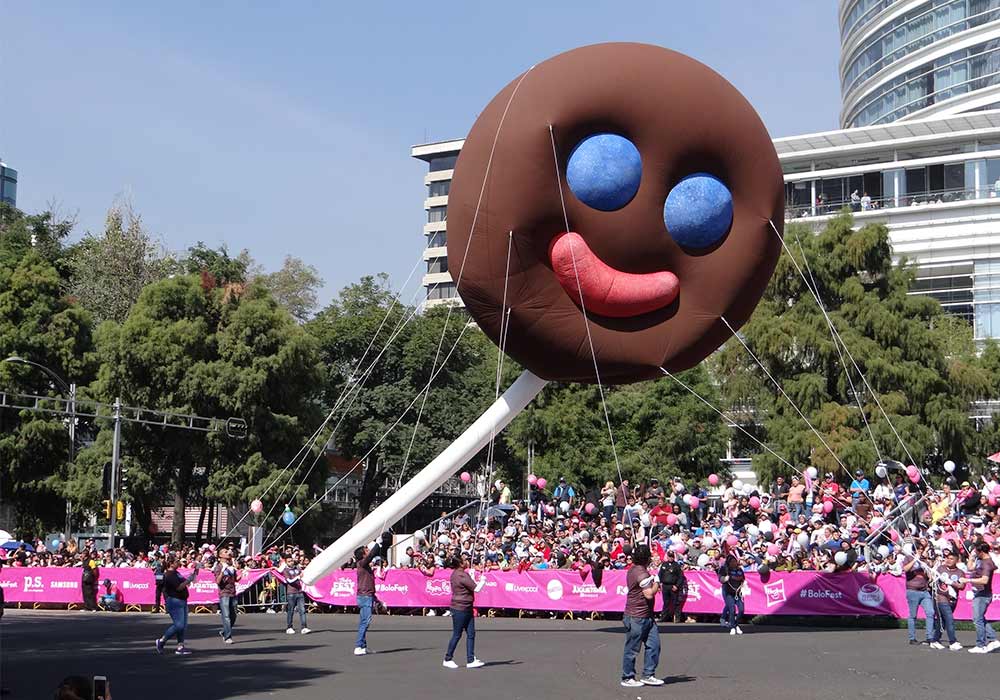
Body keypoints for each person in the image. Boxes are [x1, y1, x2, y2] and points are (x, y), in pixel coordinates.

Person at [620, 544, 662, 687]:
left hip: (647, 616)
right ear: (647, 558)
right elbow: (649, 594)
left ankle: (648, 674)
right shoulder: (640, 573)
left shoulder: (636, 570)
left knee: (654, 645)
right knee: (632, 648)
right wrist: (656, 583)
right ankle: (627, 677)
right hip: (636, 616)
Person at [442, 553, 487, 669]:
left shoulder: (458, 574)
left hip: (466, 607)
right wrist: (483, 580)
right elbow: (476, 588)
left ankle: (471, 660)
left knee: (471, 634)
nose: (467, 561)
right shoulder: (462, 575)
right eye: (465, 560)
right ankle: (447, 658)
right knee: (457, 634)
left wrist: (471, 577)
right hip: (460, 608)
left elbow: (469, 585)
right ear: (461, 564)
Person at [354, 532, 391, 656]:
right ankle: (358, 646)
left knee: (364, 621)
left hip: (367, 595)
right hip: (364, 596)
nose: (368, 550)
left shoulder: (364, 566)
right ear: (363, 554)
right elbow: (370, 556)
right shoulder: (362, 563)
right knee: (365, 621)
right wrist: (378, 544)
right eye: (366, 549)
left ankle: (363, 646)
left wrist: (377, 600)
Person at [155, 554, 199, 655]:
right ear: (170, 563)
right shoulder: (169, 574)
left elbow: (186, 583)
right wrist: (189, 579)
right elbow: (179, 587)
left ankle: (180, 646)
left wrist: (194, 573)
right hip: (174, 601)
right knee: (179, 625)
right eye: (176, 561)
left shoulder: (176, 573)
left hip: (182, 600)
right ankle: (162, 640)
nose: (178, 563)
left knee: (183, 625)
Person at [962, 542, 999, 653]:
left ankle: (981, 644)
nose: (975, 553)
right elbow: (970, 568)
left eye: (976, 551)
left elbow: (984, 580)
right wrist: (971, 557)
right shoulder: (980, 560)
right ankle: (992, 639)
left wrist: (968, 580)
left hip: (983, 595)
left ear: (981, 551)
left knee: (977, 619)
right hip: (979, 593)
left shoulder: (987, 563)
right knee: (979, 618)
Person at [901, 542, 935, 646]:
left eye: (921, 548)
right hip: (912, 591)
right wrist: (915, 560)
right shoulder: (908, 558)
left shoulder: (924, 561)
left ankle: (929, 636)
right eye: (918, 549)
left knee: (930, 612)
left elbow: (930, 576)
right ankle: (912, 637)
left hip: (924, 591)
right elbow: (905, 569)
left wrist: (928, 569)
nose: (920, 550)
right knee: (913, 615)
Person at [930, 549, 962, 650]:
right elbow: (931, 578)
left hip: (952, 599)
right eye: (948, 558)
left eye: (951, 559)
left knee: (942, 621)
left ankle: (935, 640)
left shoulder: (960, 572)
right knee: (949, 619)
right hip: (940, 598)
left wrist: (951, 582)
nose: (948, 560)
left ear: (956, 560)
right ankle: (953, 642)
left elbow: (962, 586)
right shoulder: (940, 568)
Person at [279, 553, 310, 635]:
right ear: (286, 562)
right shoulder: (285, 570)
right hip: (291, 593)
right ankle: (289, 627)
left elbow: (302, 576)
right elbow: (289, 581)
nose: (291, 562)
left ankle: (304, 627)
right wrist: (298, 577)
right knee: (291, 611)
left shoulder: (297, 568)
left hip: (300, 592)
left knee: (302, 610)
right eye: (289, 561)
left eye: (291, 560)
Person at [214, 547, 239, 644]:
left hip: (233, 592)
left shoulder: (231, 566)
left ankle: (224, 631)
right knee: (226, 616)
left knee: (233, 616)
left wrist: (244, 574)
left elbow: (236, 579)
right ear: (220, 555)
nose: (228, 552)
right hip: (224, 593)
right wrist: (222, 571)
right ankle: (228, 636)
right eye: (225, 552)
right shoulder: (219, 566)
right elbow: (218, 581)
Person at [718, 553, 746, 635]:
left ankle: (735, 624)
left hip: (738, 592)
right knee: (732, 609)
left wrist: (742, 583)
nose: (734, 563)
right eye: (732, 562)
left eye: (735, 561)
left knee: (741, 609)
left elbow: (743, 579)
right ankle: (733, 627)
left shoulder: (739, 570)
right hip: (728, 592)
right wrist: (725, 579)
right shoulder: (724, 569)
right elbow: (720, 579)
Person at [657, 550, 685, 623]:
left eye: (672, 556)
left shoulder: (676, 565)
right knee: (666, 602)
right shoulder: (664, 564)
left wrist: (677, 585)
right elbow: (660, 575)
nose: (670, 558)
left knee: (676, 602)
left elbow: (680, 577)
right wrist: (659, 584)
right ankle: (663, 617)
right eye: (669, 556)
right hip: (665, 586)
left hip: (673, 586)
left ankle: (677, 618)